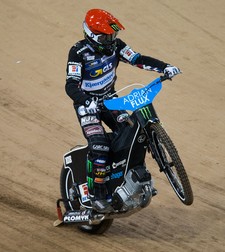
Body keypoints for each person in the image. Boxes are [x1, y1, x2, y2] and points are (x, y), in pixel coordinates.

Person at [65, 9, 181, 213]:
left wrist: (165, 67)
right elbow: (71, 85)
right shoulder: (78, 52)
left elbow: (138, 59)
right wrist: (86, 101)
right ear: (92, 35)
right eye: (105, 36)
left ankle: (130, 176)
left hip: (110, 101)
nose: (111, 39)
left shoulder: (116, 46)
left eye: (112, 35)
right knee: (99, 147)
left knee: (133, 132)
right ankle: (96, 195)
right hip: (88, 106)